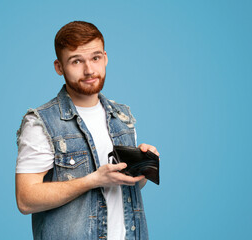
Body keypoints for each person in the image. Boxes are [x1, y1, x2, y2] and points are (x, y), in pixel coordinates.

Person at [15, 21, 160, 240]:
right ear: (59, 67)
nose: (89, 70)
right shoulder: (41, 122)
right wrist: (93, 180)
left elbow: (130, 187)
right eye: (76, 61)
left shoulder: (122, 116)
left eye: (95, 58)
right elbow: (26, 200)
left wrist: (144, 167)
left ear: (105, 58)